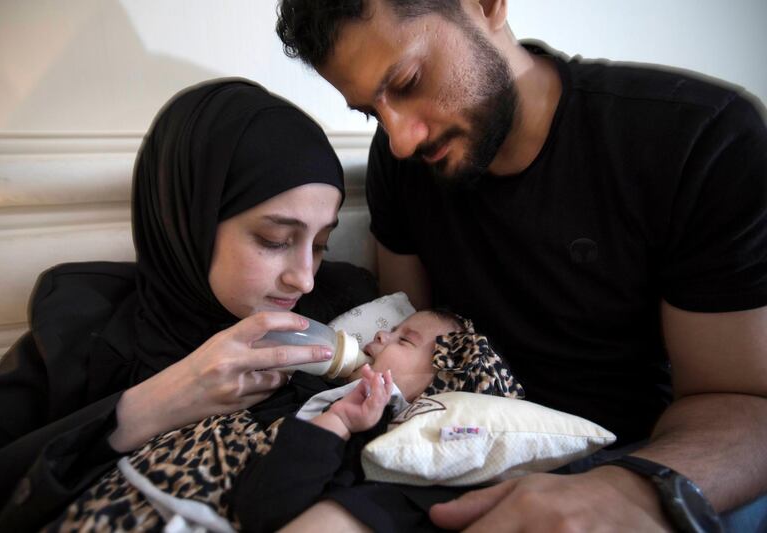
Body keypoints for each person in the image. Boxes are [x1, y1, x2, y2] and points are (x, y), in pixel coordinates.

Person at [274, 0, 767, 531]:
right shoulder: (399, 165)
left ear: (486, 6)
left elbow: (741, 401)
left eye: (410, 80)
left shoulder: (698, 136)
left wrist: (630, 488)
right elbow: (408, 333)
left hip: (643, 454)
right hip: (459, 445)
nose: (400, 138)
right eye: (372, 113)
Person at [0, 79, 379, 532]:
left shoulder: (348, 310)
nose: (304, 276)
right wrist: (155, 404)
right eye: (275, 239)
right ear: (189, 221)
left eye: (321, 243)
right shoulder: (79, 339)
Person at [47, 309, 524, 531]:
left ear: (439, 389)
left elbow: (265, 507)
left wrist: (339, 422)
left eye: (404, 339)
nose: (382, 331)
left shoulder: (381, 446)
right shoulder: (324, 384)